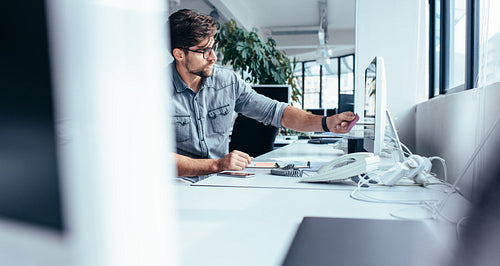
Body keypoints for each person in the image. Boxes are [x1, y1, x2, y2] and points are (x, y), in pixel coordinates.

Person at [169, 9, 356, 181]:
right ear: (179, 54)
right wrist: (216, 165)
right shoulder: (153, 91)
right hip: (178, 187)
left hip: (219, 182)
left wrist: (326, 123)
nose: (214, 57)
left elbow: (276, 111)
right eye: (203, 51)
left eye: (213, 47)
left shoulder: (227, 82)